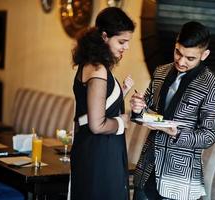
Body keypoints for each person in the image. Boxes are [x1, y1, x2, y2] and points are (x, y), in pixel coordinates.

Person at [130, 21, 215, 200]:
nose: (181, 62)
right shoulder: (160, 71)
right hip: (146, 171)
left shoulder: (213, 86)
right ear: (176, 44)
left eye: (190, 58)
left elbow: (208, 136)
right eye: (178, 53)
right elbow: (144, 112)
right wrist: (137, 109)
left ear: (204, 55)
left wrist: (175, 134)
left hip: (179, 180)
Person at [70, 7, 135, 200]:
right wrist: (124, 120)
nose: (126, 47)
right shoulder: (98, 69)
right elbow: (97, 125)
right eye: (122, 41)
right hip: (99, 152)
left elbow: (98, 105)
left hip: (96, 148)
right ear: (105, 36)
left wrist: (121, 92)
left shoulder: (92, 64)